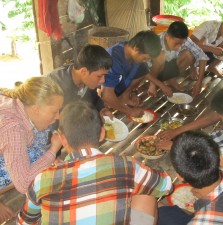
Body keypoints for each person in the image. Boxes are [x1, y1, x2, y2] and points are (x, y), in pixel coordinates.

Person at [17, 101, 172, 225]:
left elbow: (24, 221)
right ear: (102, 134)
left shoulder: (42, 179)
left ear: (62, 138)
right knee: (147, 192)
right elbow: (166, 185)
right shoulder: (127, 166)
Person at [0, 77, 63, 223]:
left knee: (42, 138)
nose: (58, 116)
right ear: (36, 109)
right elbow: (23, 184)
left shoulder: (19, 103)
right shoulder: (13, 129)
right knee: (37, 157)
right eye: (54, 111)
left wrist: (49, 158)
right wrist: (53, 150)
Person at [101, 30, 161, 117]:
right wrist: (129, 111)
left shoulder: (130, 49)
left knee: (143, 69)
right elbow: (106, 95)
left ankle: (124, 97)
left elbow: (143, 72)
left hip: (119, 88)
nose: (146, 61)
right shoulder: (114, 58)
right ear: (136, 49)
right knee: (107, 102)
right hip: (104, 92)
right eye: (145, 58)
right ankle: (116, 101)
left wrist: (131, 93)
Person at [48, 44, 113, 118]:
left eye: (104, 75)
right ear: (84, 72)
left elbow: (93, 97)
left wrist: (101, 109)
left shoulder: (86, 79)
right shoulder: (56, 85)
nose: (103, 80)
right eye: (99, 76)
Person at [148, 21, 209, 97]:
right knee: (160, 56)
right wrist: (153, 84)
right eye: (176, 44)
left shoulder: (184, 40)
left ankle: (171, 80)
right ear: (167, 36)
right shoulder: (156, 42)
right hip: (154, 74)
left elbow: (202, 56)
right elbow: (145, 69)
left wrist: (199, 82)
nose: (178, 47)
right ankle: (154, 83)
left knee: (188, 55)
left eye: (181, 44)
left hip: (169, 69)